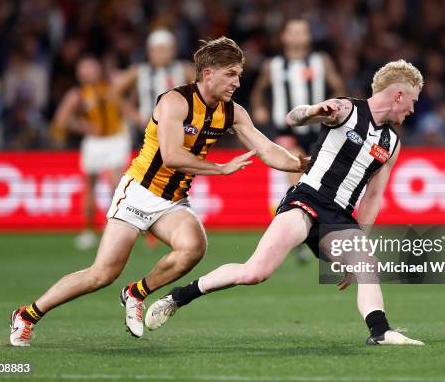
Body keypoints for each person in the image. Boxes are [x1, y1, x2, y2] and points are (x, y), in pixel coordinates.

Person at [10, 37, 308, 347]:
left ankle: (135, 293)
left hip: (173, 200)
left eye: (239, 74)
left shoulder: (232, 112)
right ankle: (27, 315)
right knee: (101, 274)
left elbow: (268, 150)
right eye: (231, 74)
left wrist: (307, 164)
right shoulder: (174, 102)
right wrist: (220, 169)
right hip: (139, 192)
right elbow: (171, 156)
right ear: (208, 73)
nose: (237, 81)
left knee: (193, 248)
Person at [145, 60, 425, 346]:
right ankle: (179, 296)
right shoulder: (346, 110)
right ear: (398, 95)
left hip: (339, 217)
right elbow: (294, 118)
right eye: (412, 101)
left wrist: (357, 242)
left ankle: (380, 332)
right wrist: (315, 110)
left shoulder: (391, 143)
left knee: (366, 262)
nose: (413, 109)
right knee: (255, 272)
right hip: (306, 199)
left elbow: (374, 196)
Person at [250, 18, 345, 261]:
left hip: (317, 129)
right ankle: (298, 234)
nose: (297, 36)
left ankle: (303, 229)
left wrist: (336, 106)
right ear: (284, 37)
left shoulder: (320, 61)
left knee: (315, 180)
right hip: (286, 130)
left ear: (308, 37)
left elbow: (337, 86)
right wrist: (260, 109)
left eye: (301, 32)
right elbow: (258, 91)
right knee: (295, 177)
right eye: (292, 32)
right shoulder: (274, 65)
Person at [113, 29, 195, 248]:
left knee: (174, 176)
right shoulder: (139, 71)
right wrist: (132, 113)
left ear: (172, 50)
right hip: (149, 132)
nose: (160, 54)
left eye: (164, 49)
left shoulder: (183, 70)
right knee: (147, 175)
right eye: (156, 49)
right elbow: (115, 91)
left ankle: (160, 221)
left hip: (179, 132)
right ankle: (144, 220)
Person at [52, 56, 131, 250]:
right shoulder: (77, 94)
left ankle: (114, 227)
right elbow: (61, 120)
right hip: (94, 142)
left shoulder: (112, 84)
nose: (87, 72)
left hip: (116, 138)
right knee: (90, 185)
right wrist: (83, 126)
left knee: (116, 183)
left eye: (90, 67)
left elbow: (127, 93)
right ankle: (88, 230)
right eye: (83, 69)